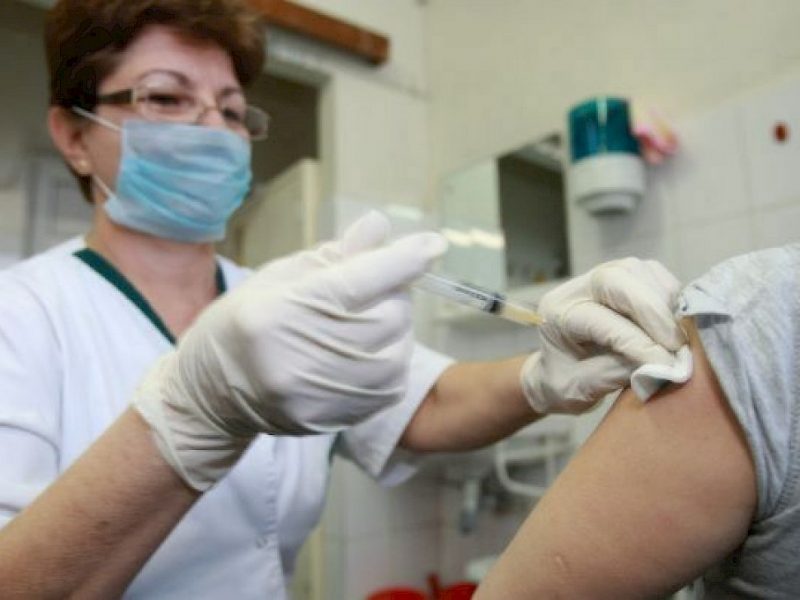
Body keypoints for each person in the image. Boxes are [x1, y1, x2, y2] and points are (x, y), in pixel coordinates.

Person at [0, 1, 685, 598]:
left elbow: (425, 405)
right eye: (166, 98)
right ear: (74, 137)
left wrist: (541, 375)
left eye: (232, 110)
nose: (214, 129)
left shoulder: (269, 298)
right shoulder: (22, 312)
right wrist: (187, 418)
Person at [474, 245, 800, 599]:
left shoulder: (757, 318)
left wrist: (535, 380)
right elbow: (435, 404)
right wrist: (536, 380)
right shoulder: (755, 317)